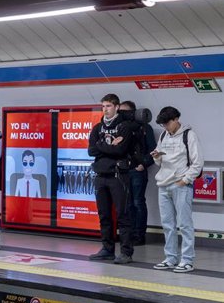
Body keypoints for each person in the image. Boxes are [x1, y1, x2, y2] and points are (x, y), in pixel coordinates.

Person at [151, 106, 203, 273]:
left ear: (176, 119)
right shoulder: (164, 135)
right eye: (163, 124)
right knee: (168, 224)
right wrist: (157, 157)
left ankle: (187, 260)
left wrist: (184, 180)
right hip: (163, 184)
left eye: (167, 123)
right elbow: (160, 162)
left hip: (180, 185)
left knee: (184, 224)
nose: (165, 127)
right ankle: (171, 258)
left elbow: (197, 163)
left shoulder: (189, 135)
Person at [87, 93, 134, 264]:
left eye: (108, 106)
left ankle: (126, 252)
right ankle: (107, 249)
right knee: (104, 215)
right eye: (103, 106)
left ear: (116, 106)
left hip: (118, 176)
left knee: (123, 214)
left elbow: (120, 150)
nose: (105, 109)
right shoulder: (97, 128)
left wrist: (102, 146)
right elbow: (91, 151)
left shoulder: (124, 127)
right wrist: (108, 145)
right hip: (100, 176)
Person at [119, 101, 157, 246]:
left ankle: (139, 235)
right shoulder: (120, 127)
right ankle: (129, 234)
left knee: (138, 202)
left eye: (125, 112)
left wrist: (144, 164)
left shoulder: (144, 128)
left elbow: (152, 150)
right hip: (123, 170)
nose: (122, 115)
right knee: (127, 204)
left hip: (137, 170)